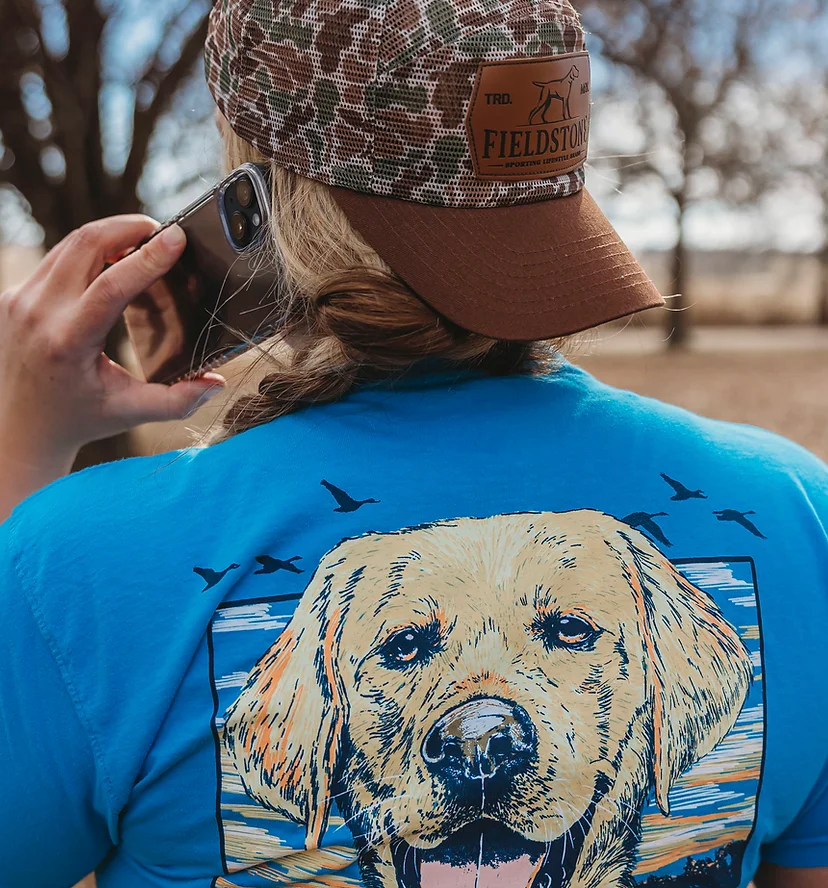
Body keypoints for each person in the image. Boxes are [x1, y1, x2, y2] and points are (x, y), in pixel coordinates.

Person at [0, 0, 826, 886]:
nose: (481, 726)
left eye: (570, 631)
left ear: (256, 194)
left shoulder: (76, 560)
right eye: (401, 649)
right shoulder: (793, 513)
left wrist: (21, 448)